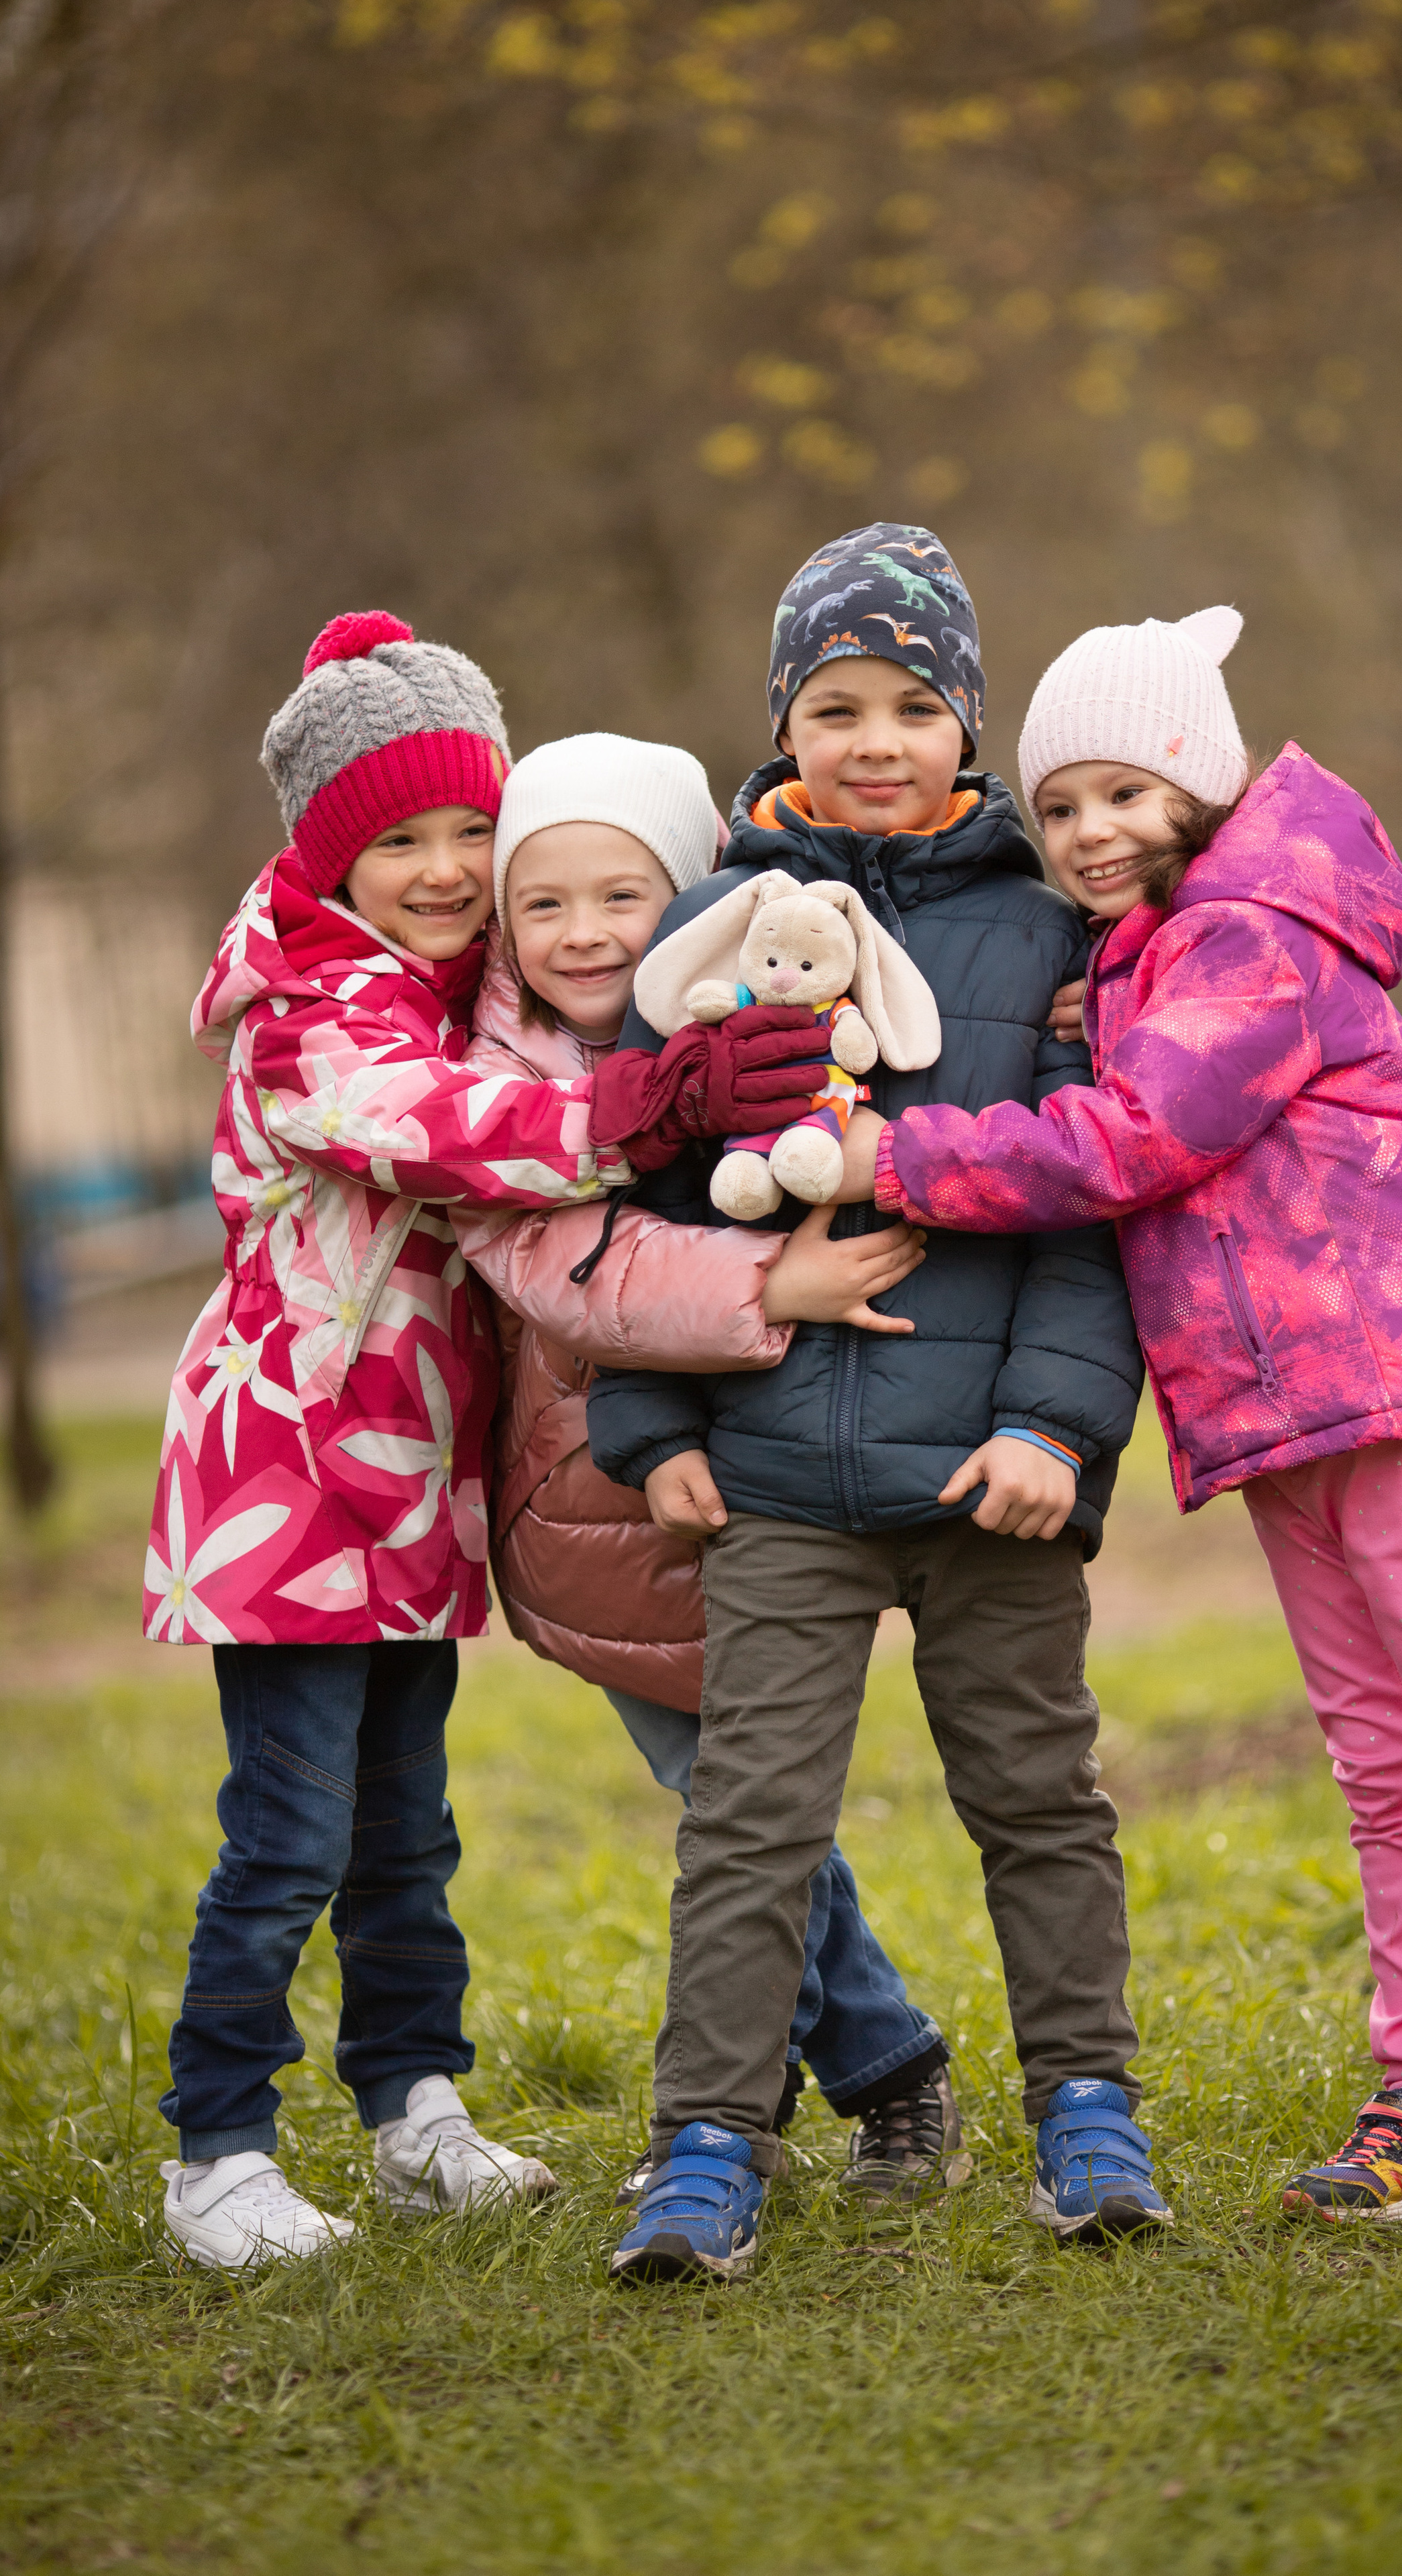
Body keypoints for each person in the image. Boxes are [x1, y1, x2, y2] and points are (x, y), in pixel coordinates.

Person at [850, 604, 1402, 2247]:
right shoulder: (1161, 950)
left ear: (1201, 785)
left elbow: (1135, 1136)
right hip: (1282, 1411)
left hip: (1394, 1384)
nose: (1087, 833)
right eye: (1058, 805)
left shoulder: (1254, 934)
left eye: (1123, 794)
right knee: (1381, 1764)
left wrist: (897, 1160)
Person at [146, 613, 820, 2270]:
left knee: (406, 1824)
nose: (447, 869)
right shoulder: (313, 1010)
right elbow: (439, 1131)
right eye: (400, 842)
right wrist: (642, 1108)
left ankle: (412, 2109)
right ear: (330, 857)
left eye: (470, 829)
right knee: (287, 1835)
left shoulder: (451, 989)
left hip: (406, 1482)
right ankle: (218, 2151)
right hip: (289, 1481)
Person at [586, 523, 1155, 2285]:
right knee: (749, 1820)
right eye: (835, 707)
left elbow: (1088, 1208)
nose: (877, 740)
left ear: (968, 722)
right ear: (783, 725)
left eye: (914, 704)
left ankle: (1087, 2105)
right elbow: (645, 1201)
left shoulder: (1049, 935)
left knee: (1038, 1797)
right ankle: (708, 2139)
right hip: (773, 1475)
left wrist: (1053, 1429)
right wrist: (654, 1432)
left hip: (992, 1473)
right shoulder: (706, 940)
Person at [452, 731, 961, 2198]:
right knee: (729, 1798)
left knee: (739, 1798)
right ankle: (857, 2072)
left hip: (758, 1461)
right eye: (543, 904)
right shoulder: (502, 1076)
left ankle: (808, 2086)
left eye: (623, 895)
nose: (583, 932)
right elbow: (552, 1262)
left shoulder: (771, 1020)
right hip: (594, 1491)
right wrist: (767, 1286)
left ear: (689, 900)